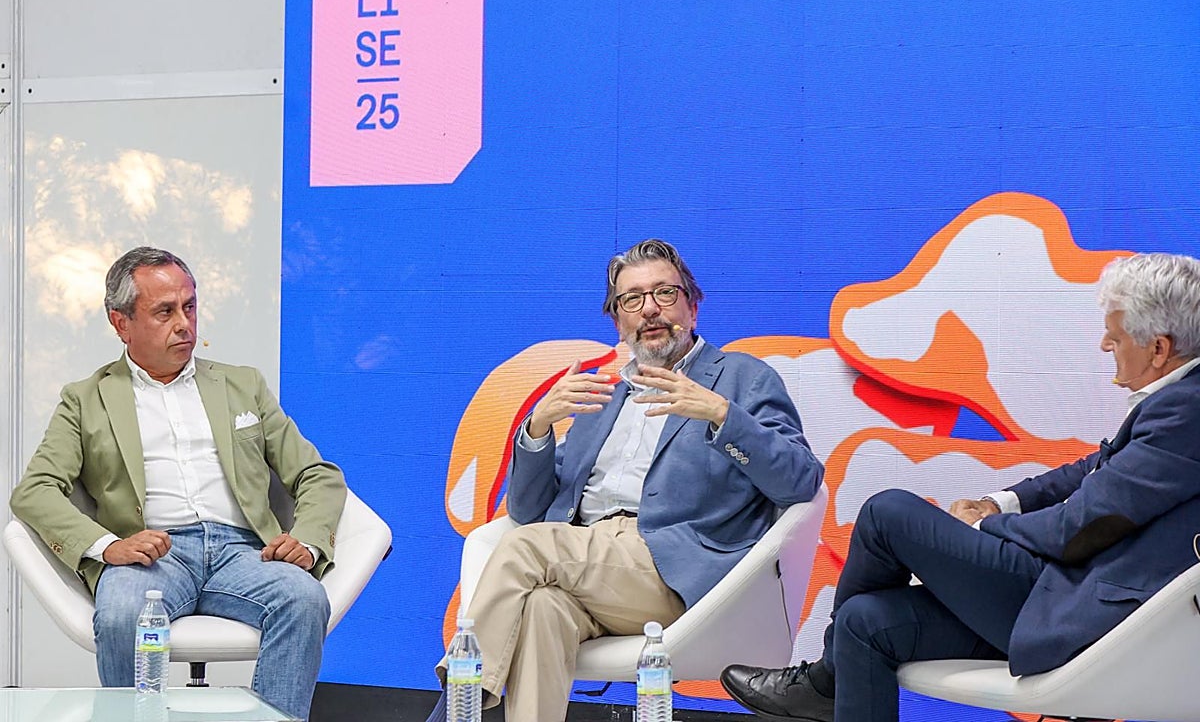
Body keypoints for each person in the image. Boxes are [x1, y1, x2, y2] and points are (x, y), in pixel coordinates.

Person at [720, 251, 1200, 722]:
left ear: (1158, 348)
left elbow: (1082, 527)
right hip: (1054, 592)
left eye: (1114, 337)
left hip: (1073, 605)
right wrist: (1000, 500)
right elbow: (1088, 470)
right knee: (862, 621)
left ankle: (825, 684)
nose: (1103, 345)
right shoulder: (1174, 403)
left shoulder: (1186, 410)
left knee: (888, 512)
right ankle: (829, 682)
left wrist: (991, 524)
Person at [428, 238, 824, 721]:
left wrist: (721, 414)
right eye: (632, 300)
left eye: (665, 293)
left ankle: (454, 706)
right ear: (618, 320)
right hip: (582, 560)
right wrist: (537, 427)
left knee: (525, 549)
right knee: (542, 611)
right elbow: (528, 513)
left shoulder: (744, 378)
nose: (650, 310)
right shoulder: (602, 396)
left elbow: (801, 482)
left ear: (693, 308)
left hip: (672, 568)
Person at [10, 247, 347, 721]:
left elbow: (317, 475)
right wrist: (107, 546)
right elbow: (35, 490)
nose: (185, 323)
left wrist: (307, 543)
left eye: (189, 307)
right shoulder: (85, 400)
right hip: (152, 555)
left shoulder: (242, 385)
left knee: (303, 598)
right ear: (121, 323)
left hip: (244, 551)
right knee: (123, 612)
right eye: (164, 311)